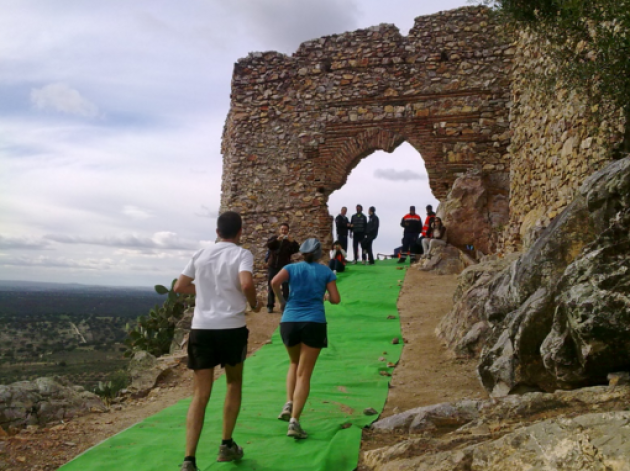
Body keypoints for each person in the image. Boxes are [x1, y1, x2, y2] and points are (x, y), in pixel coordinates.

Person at [174, 211, 261, 470]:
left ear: (217, 231)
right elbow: (246, 284)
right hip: (231, 329)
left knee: (200, 394)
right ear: (240, 232)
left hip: (201, 329)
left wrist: (207, 289)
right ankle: (226, 445)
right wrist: (254, 303)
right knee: (233, 383)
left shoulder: (201, 254)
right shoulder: (241, 254)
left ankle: (189, 458)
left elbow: (179, 286)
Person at [271, 238, 341, 440]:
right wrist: (325, 297)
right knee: (305, 374)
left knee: (293, 363)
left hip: (289, 321)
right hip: (314, 322)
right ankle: (295, 421)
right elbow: (336, 299)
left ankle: (289, 402)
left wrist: (282, 301)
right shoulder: (325, 271)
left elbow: (274, 282)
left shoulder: (291, 268)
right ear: (319, 254)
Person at [266, 223, 299, 313]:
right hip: (273, 266)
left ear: (288, 231)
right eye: (282, 229)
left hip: (284, 267)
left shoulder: (289, 241)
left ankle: (285, 305)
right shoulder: (274, 238)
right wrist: (277, 240)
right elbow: (269, 245)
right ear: (279, 230)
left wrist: (292, 241)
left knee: (285, 287)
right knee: (271, 285)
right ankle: (270, 305)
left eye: (285, 229)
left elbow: (297, 249)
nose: (283, 231)